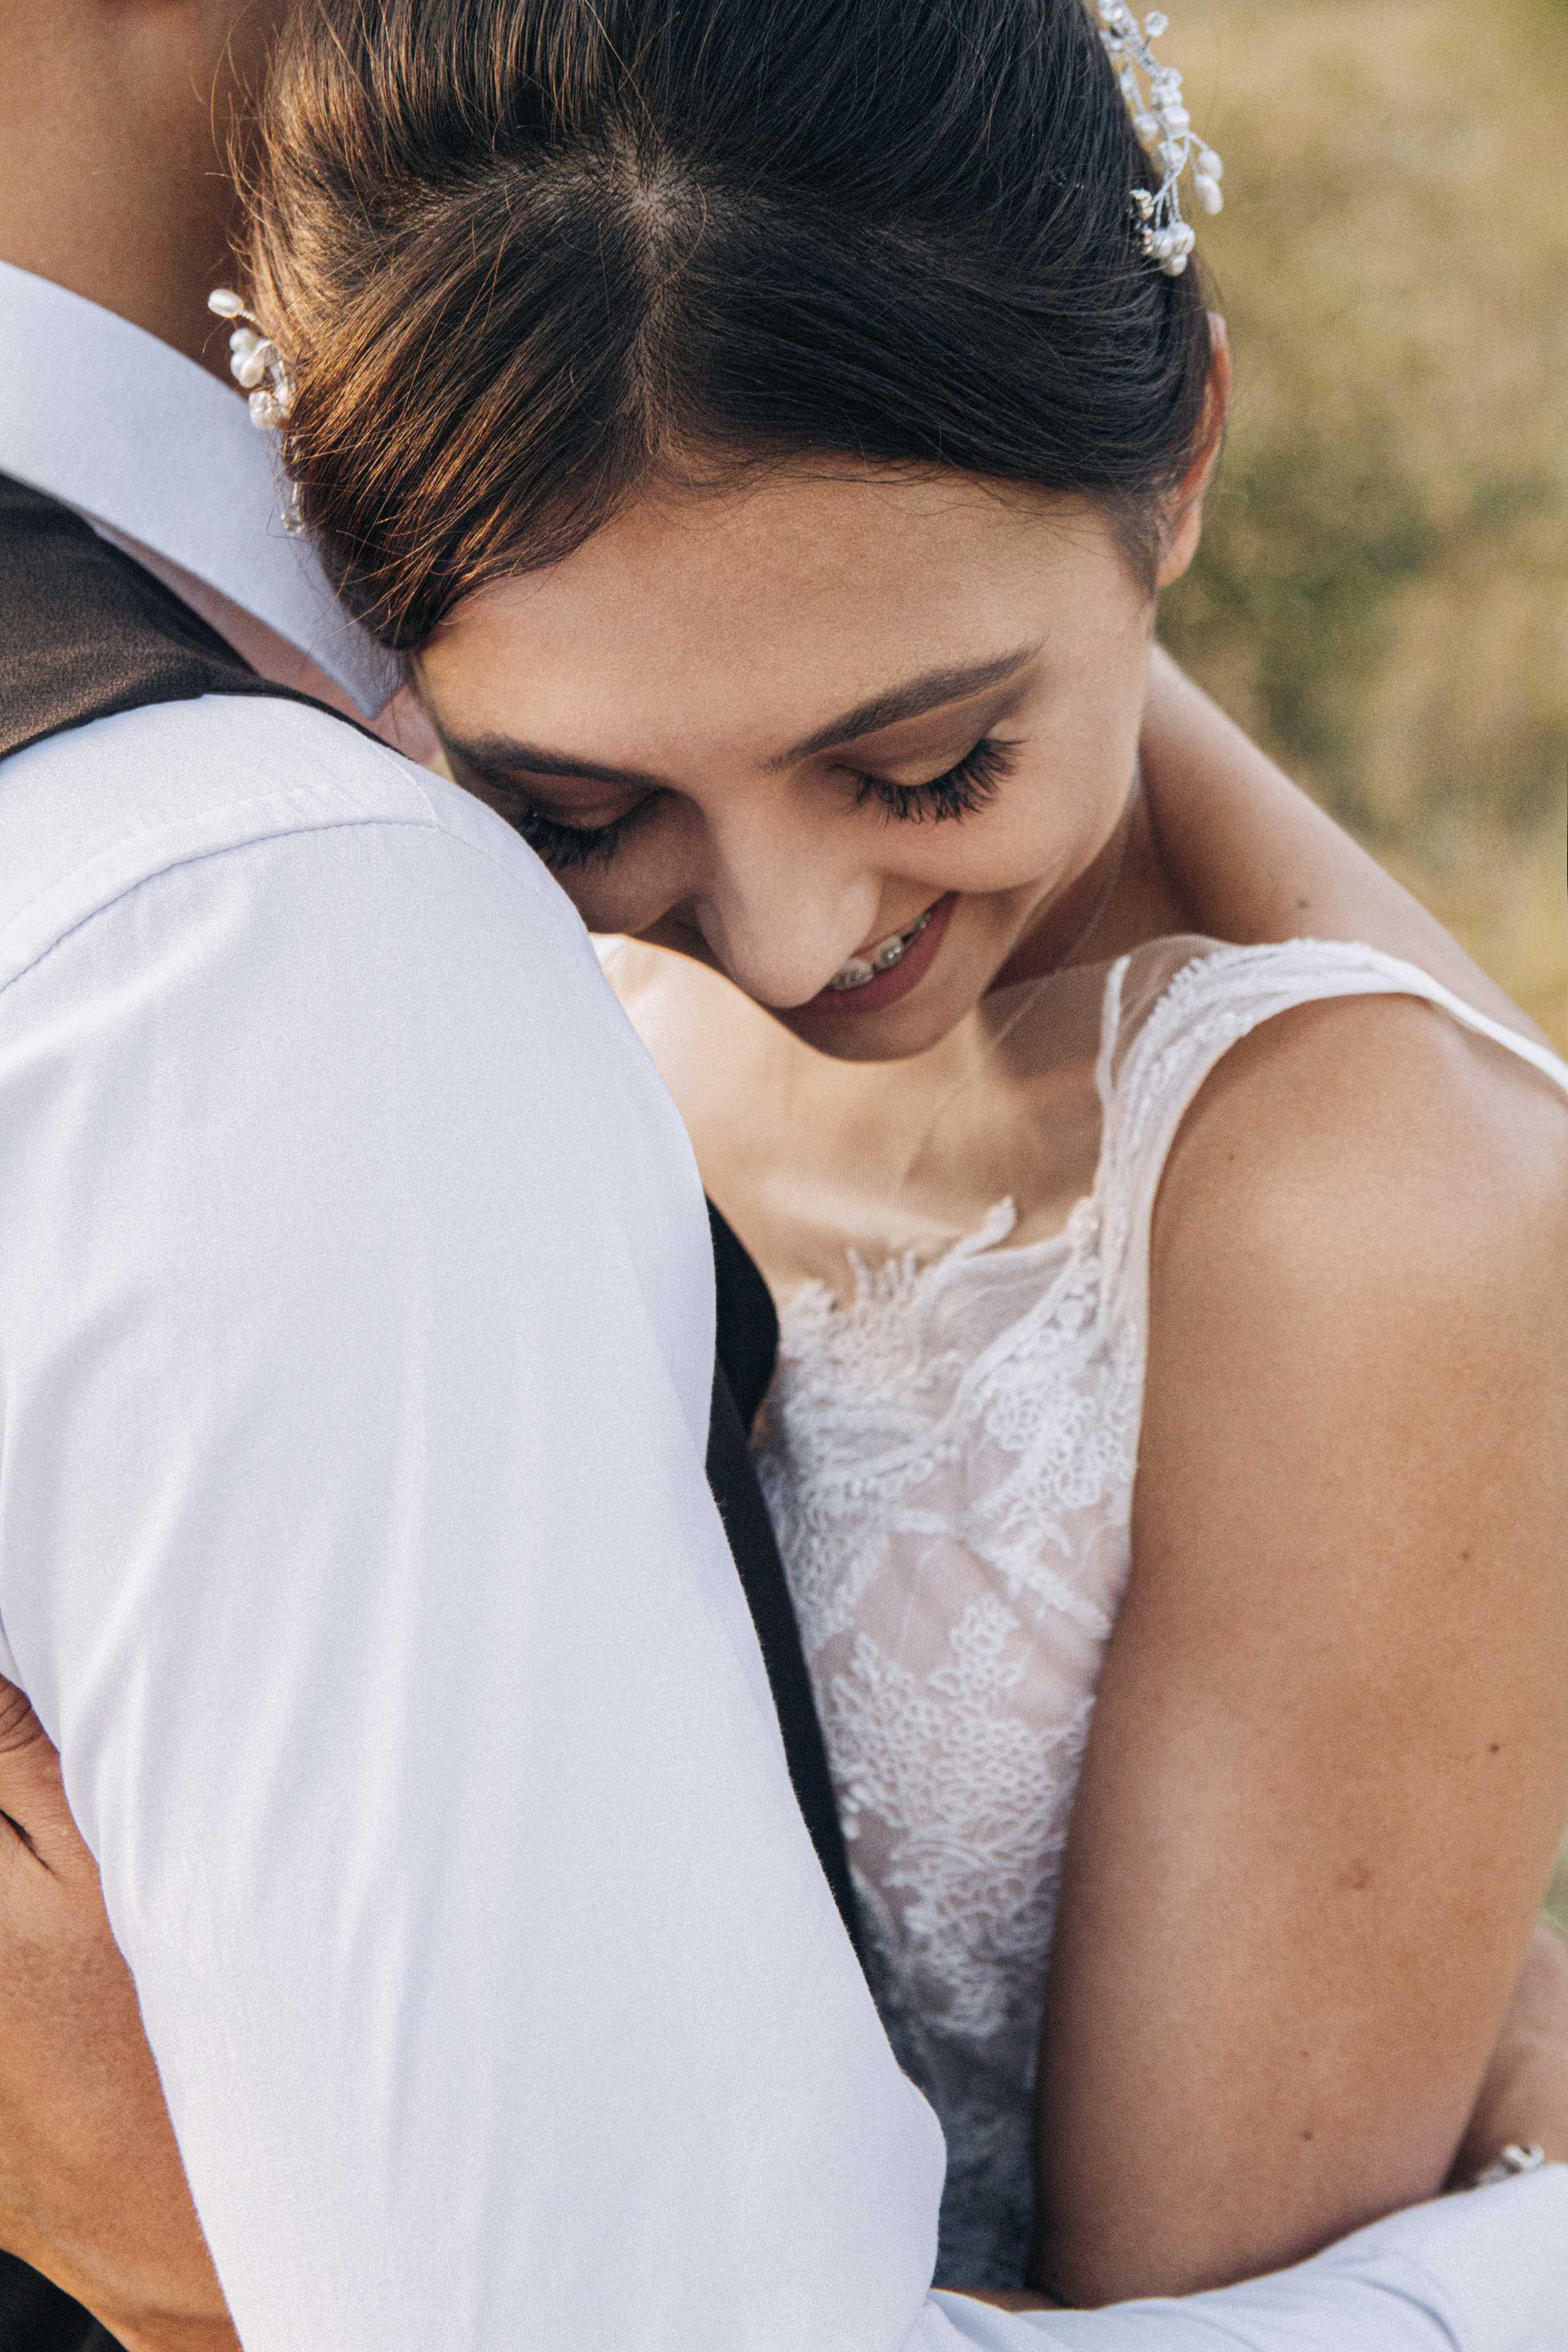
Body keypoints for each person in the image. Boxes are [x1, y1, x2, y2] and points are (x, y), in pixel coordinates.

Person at [0, 5, 1565, 2351]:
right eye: (583, 811)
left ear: (1189, 455)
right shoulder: (471, 952)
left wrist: (230, 2260)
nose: (793, 938)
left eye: (927, 764)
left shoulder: (1378, 1220)